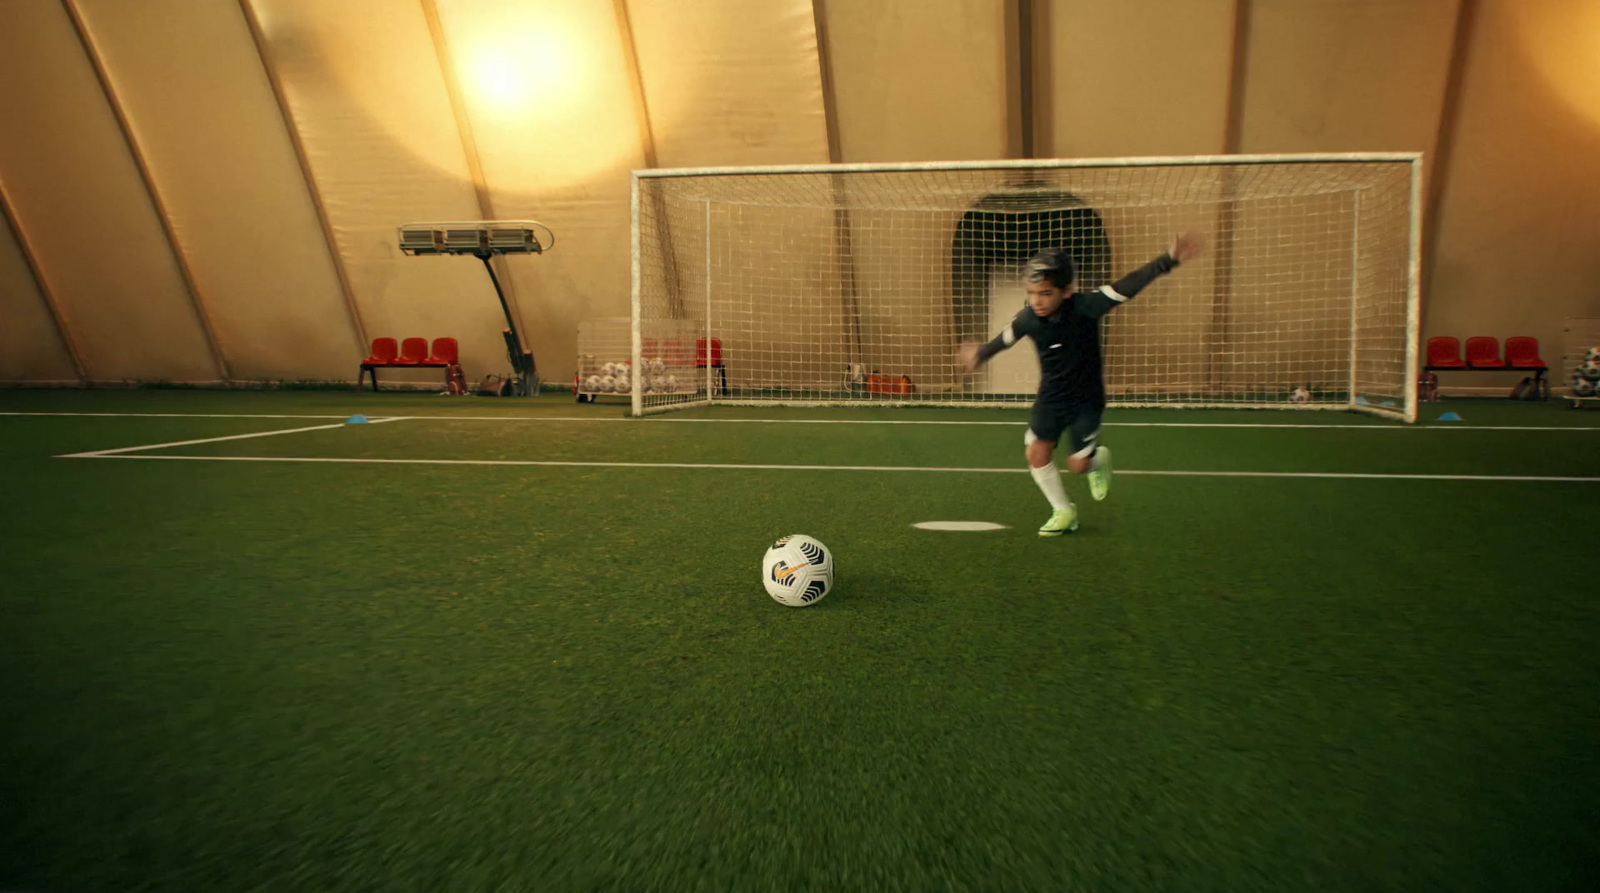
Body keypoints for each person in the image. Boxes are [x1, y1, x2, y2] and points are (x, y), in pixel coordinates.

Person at [959, 234, 1203, 536]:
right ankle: (1064, 511)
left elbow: (1127, 287)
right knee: (1036, 453)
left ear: (1067, 291)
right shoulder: (1028, 318)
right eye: (1033, 292)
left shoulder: (1086, 306)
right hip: (1050, 397)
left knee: (1078, 465)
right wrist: (980, 355)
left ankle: (1098, 460)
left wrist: (1167, 260)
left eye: (1046, 293)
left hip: (1086, 401)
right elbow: (1004, 340)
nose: (1037, 300)